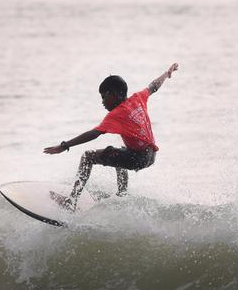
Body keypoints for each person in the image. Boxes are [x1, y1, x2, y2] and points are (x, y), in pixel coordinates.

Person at [44, 63, 178, 209]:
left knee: (88, 157)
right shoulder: (138, 98)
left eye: (103, 97)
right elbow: (154, 86)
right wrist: (166, 74)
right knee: (118, 151)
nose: (102, 102)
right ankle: (122, 195)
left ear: (113, 94)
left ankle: (71, 201)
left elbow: (94, 133)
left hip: (138, 158)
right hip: (151, 156)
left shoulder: (116, 114)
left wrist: (65, 145)